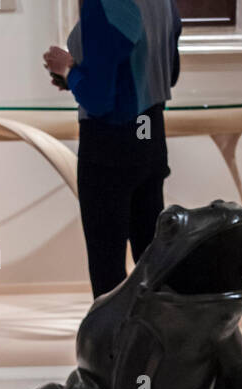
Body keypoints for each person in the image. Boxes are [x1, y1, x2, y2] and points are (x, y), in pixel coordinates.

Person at [44, 0, 182, 299]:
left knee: (108, 268)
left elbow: (98, 98)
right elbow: (166, 73)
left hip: (111, 143)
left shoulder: (106, 3)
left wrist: (67, 70)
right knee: (152, 259)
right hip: (149, 130)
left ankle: (112, 345)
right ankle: (155, 339)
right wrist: (77, 78)